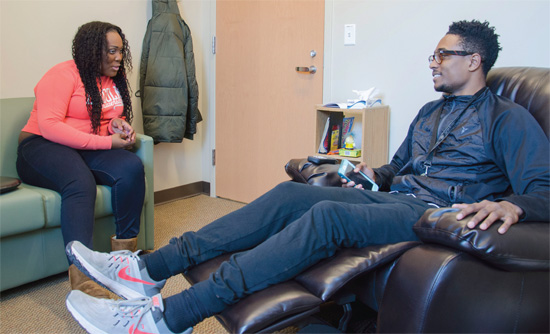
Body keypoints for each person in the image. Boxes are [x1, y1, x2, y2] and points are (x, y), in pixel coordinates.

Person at [64, 20, 549, 334]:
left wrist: (514, 205)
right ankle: (148, 271)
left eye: (443, 55)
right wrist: (368, 173)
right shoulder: (429, 111)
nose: (433, 63)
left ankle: (168, 319)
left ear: (473, 60)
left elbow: (544, 188)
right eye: (433, 56)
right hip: (396, 199)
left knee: (324, 217)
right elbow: (396, 167)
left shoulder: (507, 118)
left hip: (431, 216)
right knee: (292, 193)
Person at [16, 21, 145, 299]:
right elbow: (50, 126)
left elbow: (102, 118)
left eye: (121, 51)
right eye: (112, 51)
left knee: (131, 166)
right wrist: (105, 142)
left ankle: (123, 260)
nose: (119, 57)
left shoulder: (110, 78)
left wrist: (117, 126)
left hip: (82, 148)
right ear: (92, 50)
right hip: (41, 146)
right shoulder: (62, 75)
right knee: (80, 182)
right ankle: (84, 277)